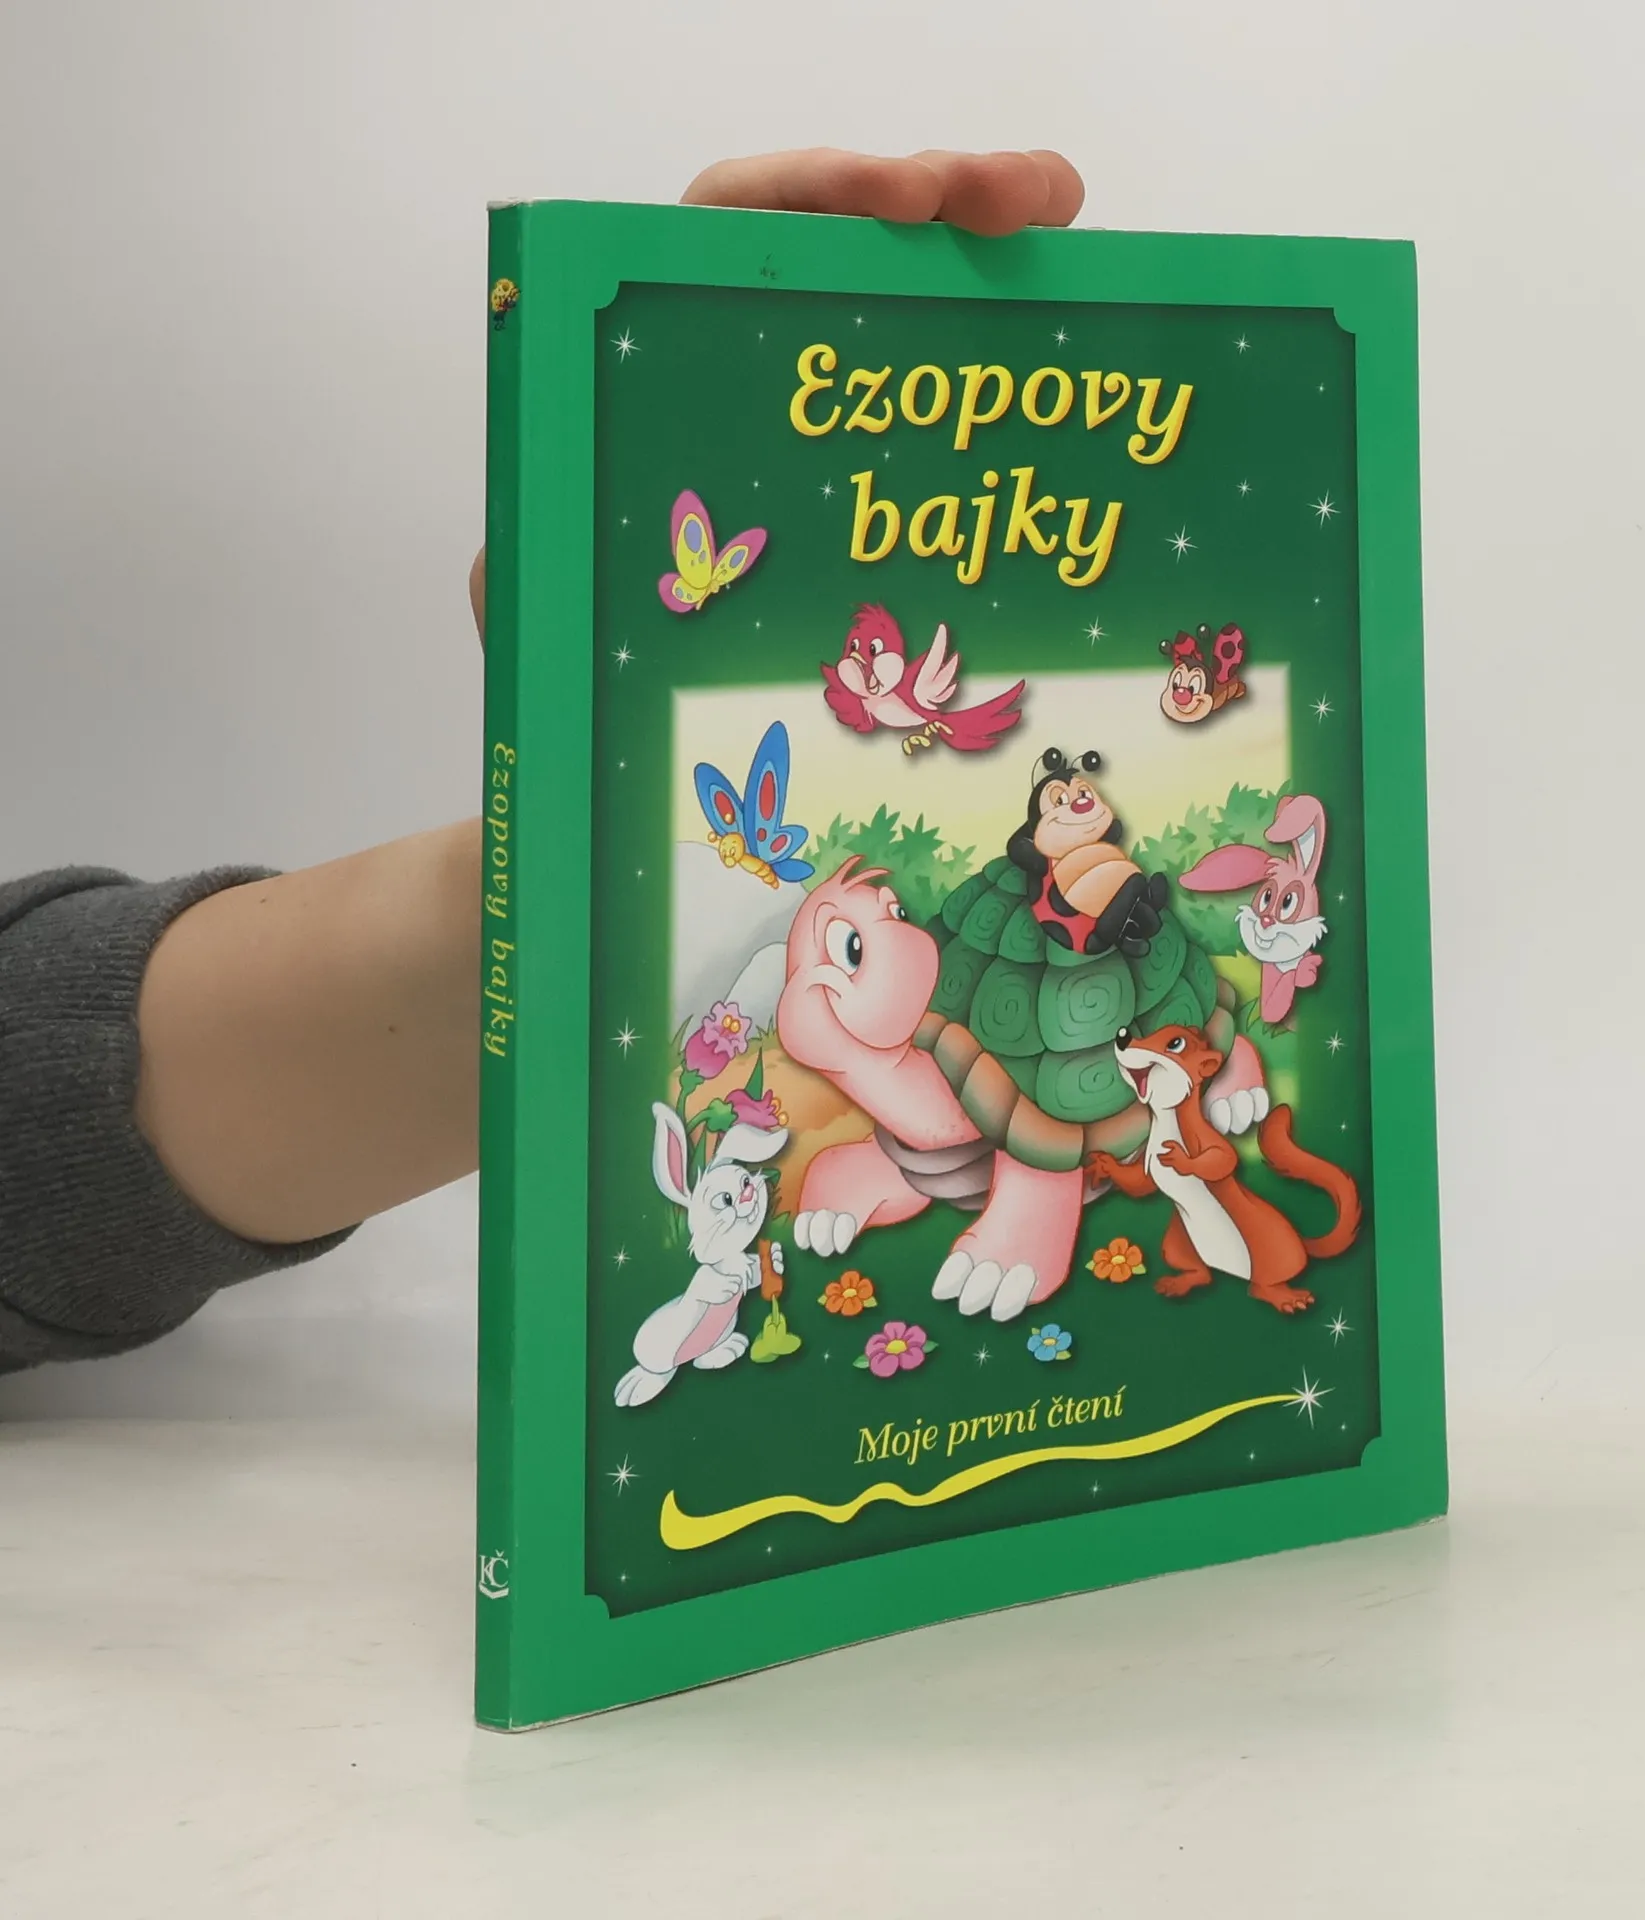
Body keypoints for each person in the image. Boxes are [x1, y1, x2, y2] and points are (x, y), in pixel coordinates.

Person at [0, 145, 1086, 1376]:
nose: (809, 979)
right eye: (819, 948)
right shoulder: (851, 1021)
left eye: (834, 948)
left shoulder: (970, 1037)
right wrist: (571, 878)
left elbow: (1046, 1129)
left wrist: (561, 894)